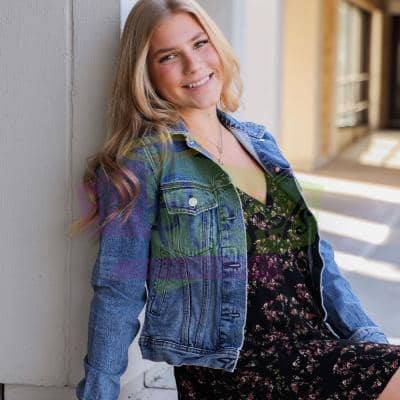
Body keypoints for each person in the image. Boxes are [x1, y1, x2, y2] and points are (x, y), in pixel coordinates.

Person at [71, 0, 400, 398]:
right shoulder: (144, 162)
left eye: (200, 43)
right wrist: (98, 393)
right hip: (237, 369)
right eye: (169, 56)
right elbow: (118, 290)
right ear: (146, 74)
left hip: (313, 347)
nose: (193, 65)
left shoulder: (259, 141)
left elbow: (319, 260)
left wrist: (371, 342)